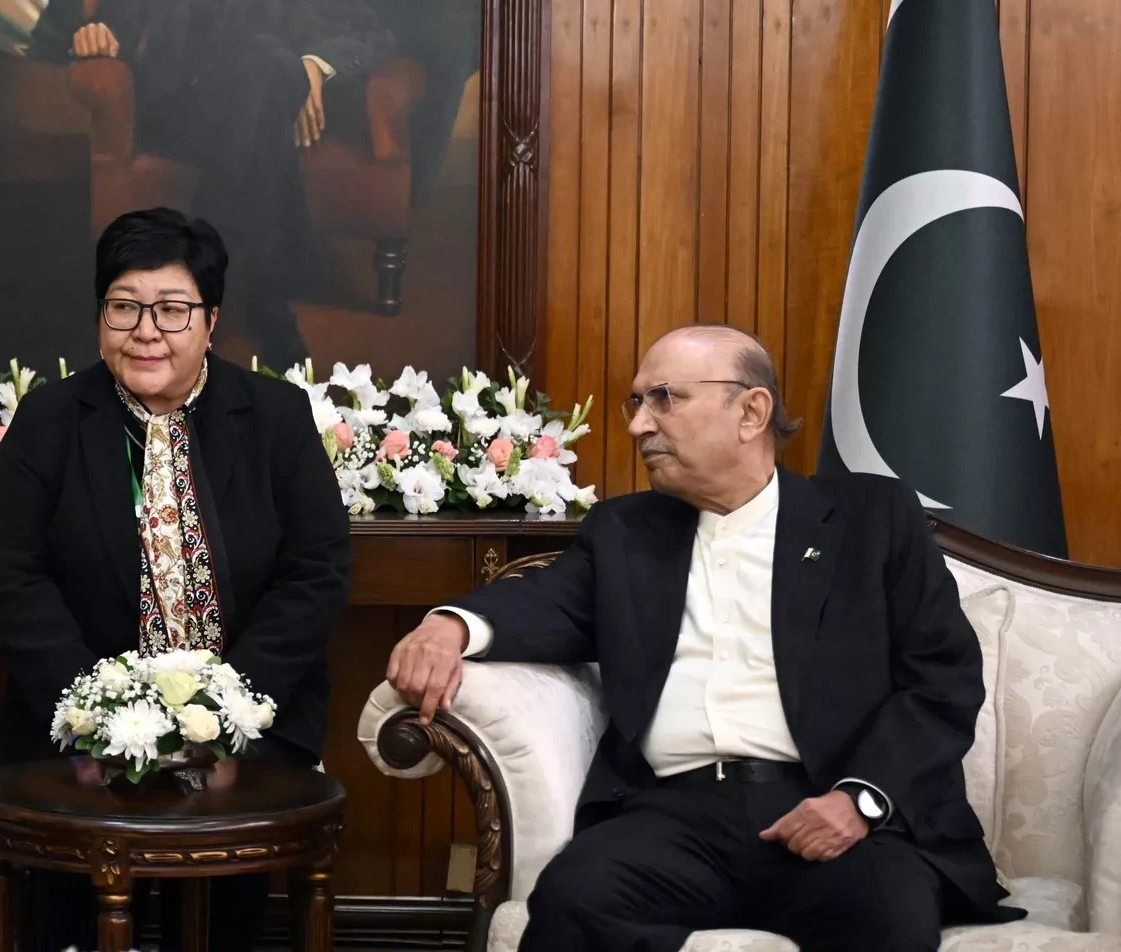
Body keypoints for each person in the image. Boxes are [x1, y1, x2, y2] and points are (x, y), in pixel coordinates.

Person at [384, 325, 1018, 952]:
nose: (639, 425)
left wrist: (862, 800)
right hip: (675, 816)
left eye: (665, 398)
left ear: (751, 412)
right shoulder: (626, 532)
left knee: (888, 919)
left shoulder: (871, 519)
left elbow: (943, 677)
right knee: (574, 901)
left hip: (830, 804)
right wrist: (449, 626)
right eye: (637, 402)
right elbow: (542, 601)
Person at [0, 207, 352, 952]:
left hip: (247, 735)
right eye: (125, 307)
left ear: (211, 322)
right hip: (75, 737)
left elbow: (317, 570)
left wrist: (229, 708)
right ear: (100, 317)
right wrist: (95, 713)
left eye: (172, 310)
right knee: (70, 923)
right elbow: (10, 576)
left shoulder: (274, 417)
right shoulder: (50, 420)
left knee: (218, 928)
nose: (146, 331)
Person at [68, 0, 396, 369]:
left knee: (265, 63)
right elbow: (114, 21)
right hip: (179, 108)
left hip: (257, 98)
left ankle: (226, 275)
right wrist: (98, 34)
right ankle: (268, 295)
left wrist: (314, 68)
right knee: (268, 75)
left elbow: (366, 29)